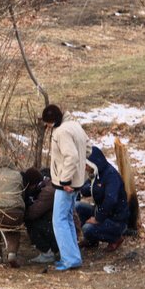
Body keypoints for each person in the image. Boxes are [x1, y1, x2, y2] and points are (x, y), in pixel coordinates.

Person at [42, 104, 89, 271]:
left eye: (47, 124)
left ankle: (70, 259)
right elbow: (87, 149)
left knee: (59, 220)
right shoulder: (75, 126)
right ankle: (73, 256)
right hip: (77, 181)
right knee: (67, 218)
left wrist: (65, 180)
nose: (47, 127)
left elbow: (71, 155)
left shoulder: (61, 132)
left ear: (52, 121)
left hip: (66, 184)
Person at [76, 146, 129, 253]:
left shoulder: (111, 176)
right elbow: (86, 190)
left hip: (116, 219)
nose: (85, 167)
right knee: (77, 206)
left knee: (87, 228)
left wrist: (98, 219)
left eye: (86, 164)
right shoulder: (96, 174)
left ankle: (115, 237)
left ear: (93, 163)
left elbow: (111, 200)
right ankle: (91, 240)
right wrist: (76, 188)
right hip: (102, 212)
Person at [22, 167, 60, 264]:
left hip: (60, 230)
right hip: (61, 228)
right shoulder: (49, 185)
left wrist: (21, 215)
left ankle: (47, 253)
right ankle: (52, 250)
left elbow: (33, 213)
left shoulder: (47, 191)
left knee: (32, 223)